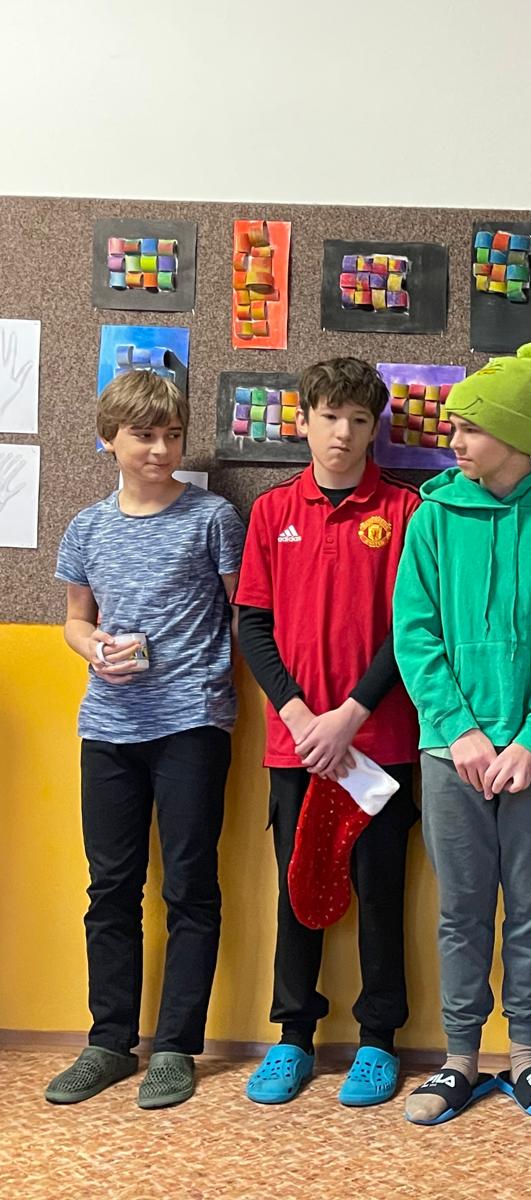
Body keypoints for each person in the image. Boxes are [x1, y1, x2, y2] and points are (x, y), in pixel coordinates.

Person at [392, 343, 531, 1126]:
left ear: (511, 433)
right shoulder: (432, 519)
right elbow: (414, 634)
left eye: (469, 428)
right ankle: (459, 1059)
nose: (454, 441)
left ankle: (527, 1056)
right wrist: (460, 731)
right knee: (462, 908)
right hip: (452, 754)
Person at [44, 370, 245, 1110]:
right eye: (144, 435)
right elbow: (76, 619)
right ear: (109, 440)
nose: (161, 449)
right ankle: (108, 1041)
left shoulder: (213, 518)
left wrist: (212, 675)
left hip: (192, 722)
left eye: (172, 435)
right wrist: (94, 647)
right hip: (108, 725)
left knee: (190, 884)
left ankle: (176, 1048)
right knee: (111, 888)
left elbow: (244, 615)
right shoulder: (86, 527)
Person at [235, 358, 420, 1108]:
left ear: (375, 430)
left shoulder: (406, 510)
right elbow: (253, 624)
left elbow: (410, 629)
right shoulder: (271, 511)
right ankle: (292, 1036)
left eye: (359, 420)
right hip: (298, 747)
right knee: (297, 888)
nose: (343, 433)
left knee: (380, 893)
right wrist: (300, 716)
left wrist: (351, 714)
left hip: (379, 745)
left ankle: (379, 1039)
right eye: (330, 416)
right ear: (304, 420)